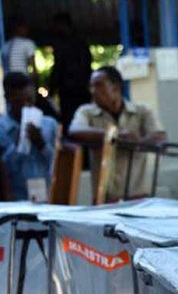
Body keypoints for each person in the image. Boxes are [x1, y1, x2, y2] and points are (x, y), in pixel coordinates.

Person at [68, 66, 166, 202]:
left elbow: (159, 136)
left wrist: (139, 142)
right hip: (104, 197)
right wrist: (114, 135)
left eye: (98, 86)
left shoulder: (141, 112)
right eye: (91, 86)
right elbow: (75, 130)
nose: (93, 91)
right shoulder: (87, 112)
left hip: (138, 197)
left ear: (116, 87)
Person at [0, 73, 57, 201]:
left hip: (46, 199)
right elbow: (5, 171)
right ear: (8, 99)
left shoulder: (49, 125)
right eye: (19, 102)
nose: (26, 106)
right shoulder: (2, 129)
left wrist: (42, 144)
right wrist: (17, 145)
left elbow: (57, 164)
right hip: (16, 201)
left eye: (30, 100)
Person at [48, 12, 92, 135]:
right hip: (78, 90)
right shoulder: (81, 41)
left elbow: (58, 67)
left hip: (72, 91)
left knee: (73, 121)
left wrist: (52, 89)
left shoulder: (63, 44)